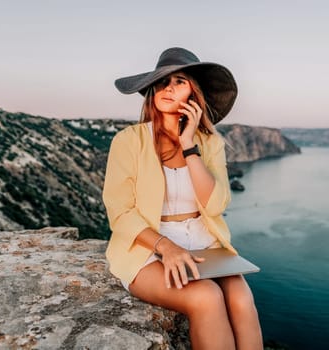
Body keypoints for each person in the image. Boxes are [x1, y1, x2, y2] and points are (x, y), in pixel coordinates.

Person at [102, 47, 263, 350]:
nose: (168, 87)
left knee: (242, 299)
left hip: (205, 243)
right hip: (148, 247)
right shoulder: (128, 141)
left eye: (179, 81)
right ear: (151, 90)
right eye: (162, 82)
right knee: (206, 297)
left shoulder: (209, 143)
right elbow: (120, 212)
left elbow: (215, 206)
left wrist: (189, 146)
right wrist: (168, 248)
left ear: (193, 94)